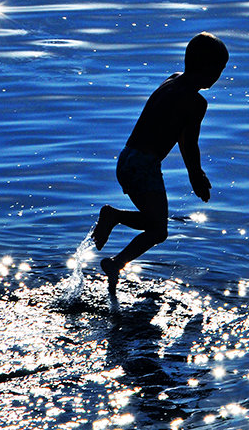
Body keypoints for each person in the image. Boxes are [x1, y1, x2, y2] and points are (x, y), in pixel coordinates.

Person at [92, 32, 229, 295]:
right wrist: (196, 176)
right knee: (158, 229)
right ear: (208, 69)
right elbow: (188, 143)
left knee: (154, 222)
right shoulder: (196, 102)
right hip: (144, 165)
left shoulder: (173, 79)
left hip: (126, 158)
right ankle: (116, 258)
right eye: (219, 70)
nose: (219, 76)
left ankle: (115, 233)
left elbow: (175, 132)